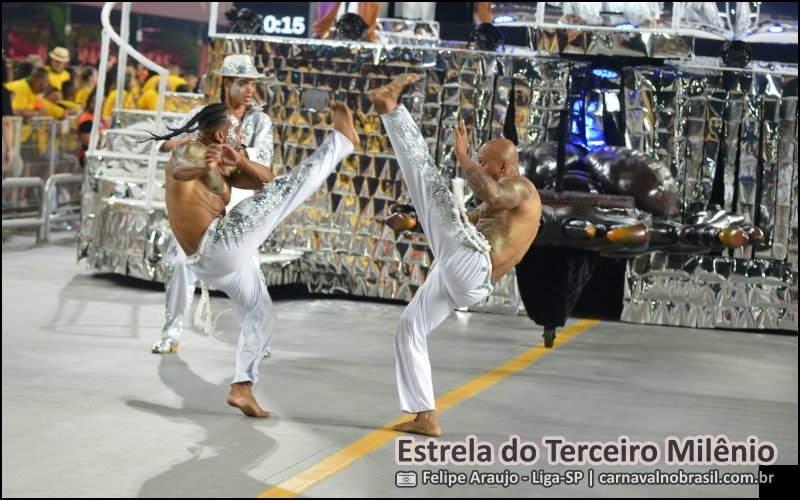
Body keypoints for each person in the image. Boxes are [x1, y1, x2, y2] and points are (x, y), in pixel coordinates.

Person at [150, 101, 358, 416]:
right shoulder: (188, 151)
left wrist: (241, 162)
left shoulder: (226, 161)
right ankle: (341, 141)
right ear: (219, 134)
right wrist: (204, 163)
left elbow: (267, 180)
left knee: (261, 313)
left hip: (217, 263)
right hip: (216, 244)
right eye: (237, 131)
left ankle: (242, 386)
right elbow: (180, 168)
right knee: (287, 189)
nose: (242, 136)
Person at [369, 74, 542, 436]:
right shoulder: (499, 200)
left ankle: (389, 107)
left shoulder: (521, 188)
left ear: (504, 167)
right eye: (476, 160)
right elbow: (459, 221)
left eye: (483, 162)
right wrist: (412, 221)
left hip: (473, 264)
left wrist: (462, 157)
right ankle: (425, 416)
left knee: (431, 185)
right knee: (410, 328)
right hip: (466, 277)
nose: (478, 166)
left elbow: (492, 196)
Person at [152, 55, 274, 355]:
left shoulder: (260, 120)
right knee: (179, 264)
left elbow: (263, 162)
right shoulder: (203, 115)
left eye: (253, 83)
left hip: (239, 203)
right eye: (243, 82)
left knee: (250, 269)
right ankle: (171, 334)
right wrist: (198, 140)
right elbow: (164, 144)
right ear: (227, 83)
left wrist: (230, 150)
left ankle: (257, 337)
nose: (250, 89)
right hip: (200, 204)